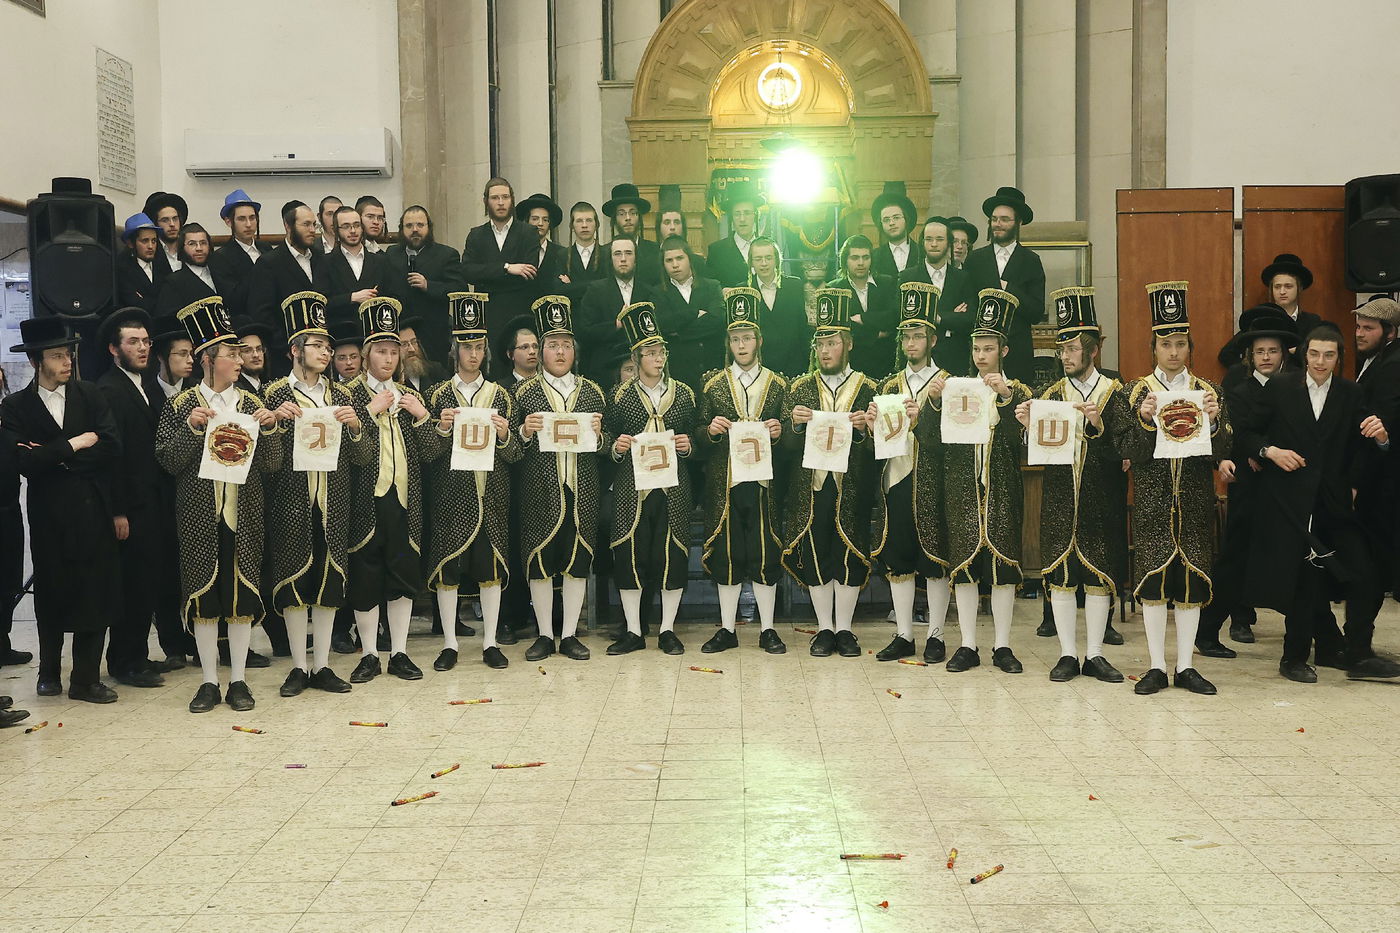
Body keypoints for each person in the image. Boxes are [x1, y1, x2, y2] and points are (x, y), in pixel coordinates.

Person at [1242, 327, 1400, 682]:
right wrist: (1271, 452)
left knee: (1365, 574)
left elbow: (1363, 445)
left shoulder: (1350, 392)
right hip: (1289, 502)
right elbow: (1249, 433)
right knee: (1302, 582)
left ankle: (1357, 653)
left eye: (1329, 355)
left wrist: (1383, 440)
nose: (1321, 362)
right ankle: (1293, 658)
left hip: (1334, 502)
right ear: (1304, 355)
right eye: (1315, 354)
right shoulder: (1280, 388)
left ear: (1339, 358)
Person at [154, 297, 282, 712]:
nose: (240, 360)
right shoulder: (180, 405)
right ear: (208, 359)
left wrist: (271, 429)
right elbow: (167, 461)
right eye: (231, 354)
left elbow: (272, 463)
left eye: (240, 353)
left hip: (243, 514)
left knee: (241, 596)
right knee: (204, 598)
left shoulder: (250, 405)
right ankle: (209, 680)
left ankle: (240, 679)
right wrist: (192, 430)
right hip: (198, 516)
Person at [1116, 282, 1230, 696]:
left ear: (1190, 347)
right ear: (1154, 348)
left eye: (1181, 343)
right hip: (1151, 501)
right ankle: (1155, 666)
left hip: (1195, 501)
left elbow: (1222, 449)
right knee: (1152, 585)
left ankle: (1185, 666)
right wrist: (1144, 420)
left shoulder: (1209, 392)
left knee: (1190, 586)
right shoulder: (1137, 392)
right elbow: (1125, 450)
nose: (1174, 351)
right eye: (1166, 344)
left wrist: (1215, 423)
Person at [1, 317, 122, 704]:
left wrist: (56, 456)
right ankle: (48, 672)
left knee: (94, 590)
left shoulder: (90, 395)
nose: (67, 360)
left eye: (68, 353)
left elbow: (110, 448)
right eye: (57, 355)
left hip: (92, 509)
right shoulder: (16, 405)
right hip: (49, 514)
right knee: (51, 592)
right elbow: (23, 463)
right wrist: (75, 444)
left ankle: (86, 678)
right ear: (37, 361)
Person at [1014, 287, 1127, 683]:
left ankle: (1095, 653)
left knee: (1098, 576)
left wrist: (1098, 424)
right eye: (1061, 348)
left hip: (1102, 498)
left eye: (1073, 348)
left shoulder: (1116, 394)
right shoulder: (1051, 395)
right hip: (1061, 498)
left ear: (1093, 350)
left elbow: (1128, 450)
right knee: (1060, 574)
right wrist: (1028, 428)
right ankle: (1066, 653)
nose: (1065, 355)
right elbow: (1036, 454)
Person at [261, 292, 367, 696]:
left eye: (328, 346)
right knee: (293, 582)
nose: (326, 352)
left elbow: (362, 456)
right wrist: (273, 424)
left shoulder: (342, 396)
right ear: (294, 350)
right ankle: (299, 666)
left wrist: (356, 426)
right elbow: (266, 462)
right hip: (291, 501)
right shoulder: (274, 394)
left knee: (328, 581)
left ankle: (322, 665)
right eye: (317, 345)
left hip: (334, 501)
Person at [937, 289, 1033, 674]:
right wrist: (934, 400)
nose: (980, 355)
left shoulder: (1020, 391)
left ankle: (1003, 645)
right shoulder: (958, 388)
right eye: (977, 348)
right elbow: (936, 437)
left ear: (1003, 351)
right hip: (963, 488)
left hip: (1003, 489)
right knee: (964, 565)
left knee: (1003, 567)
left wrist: (1006, 397)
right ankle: (967, 644)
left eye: (988, 348)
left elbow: (1019, 442)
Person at [781, 289, 880, 657]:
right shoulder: (801, 388)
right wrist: (793, 425)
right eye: (820, 343)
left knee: (850, 552)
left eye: (833, 342)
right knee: (818, 549)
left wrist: (865, 429)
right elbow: (788, 450)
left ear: (848, 344)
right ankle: (824, 627)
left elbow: (878, 450)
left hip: (852, 485)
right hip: (813, 487)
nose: (825, 350)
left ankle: (846, 628)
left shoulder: (868, 388)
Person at [425, 293, 522, 669]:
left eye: (479, 346)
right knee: (448, 570)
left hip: (491, 494)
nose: (473, 354)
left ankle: (490, 642)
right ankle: (449, 642)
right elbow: (427, 453)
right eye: (466, 346)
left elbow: (515, 456)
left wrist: (504, 436)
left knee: (490, 570)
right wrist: (442, 429)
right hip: (451, 495)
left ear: (486, 351)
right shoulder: (437, 395)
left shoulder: (501, 396)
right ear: (454, 350)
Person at [344, 297, 438, 683]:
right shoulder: (348, 394)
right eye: (381, 351)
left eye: (394, 351)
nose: (388, 359)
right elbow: (346, 454)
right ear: (366, 355)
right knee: (366, 575)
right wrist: (370, 410)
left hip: (404, 499)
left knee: (402, 574)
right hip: (366, 502)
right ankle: (368, 654)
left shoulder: (409, 395)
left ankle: (399, 651)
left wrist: (422, 417)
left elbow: (432, 451)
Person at [514, 295, 610, 662]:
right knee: (539, 560)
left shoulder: (593, 391)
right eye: (552, 345)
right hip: (538, 488)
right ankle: (543, 634)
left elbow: (607, 449)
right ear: (541, 350)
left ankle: (569, 634)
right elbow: (508, 449)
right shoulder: (523, 392)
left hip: (581, 487)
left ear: (575, 351)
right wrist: (523, 430)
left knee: (576, 559)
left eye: (565, 345)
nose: (559, 352)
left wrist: (600, 435)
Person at [1199, 305, 1299, 653]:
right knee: (1235, 560)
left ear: (1284, 353)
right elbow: (1235, 434)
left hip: (1290, 488)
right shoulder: (1238, 389)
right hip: (1251, 488)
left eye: (1272, 350)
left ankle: (1318, 636)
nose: (1266, 357)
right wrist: (1255, 454)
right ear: (1249, 355)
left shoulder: (1297, 384)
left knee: (1299, 560)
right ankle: (1207, 633)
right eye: (1260, 352)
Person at [697, 287, 788, 653]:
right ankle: (727, 629)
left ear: (759, 340)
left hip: (764, 484)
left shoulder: (779, 383)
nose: (741, 344)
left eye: (747, 337)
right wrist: (711, 431)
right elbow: (698, 433)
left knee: (765, 551)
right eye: (735, 338)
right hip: (726, 482)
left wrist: (780, 432)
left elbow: (791, 438)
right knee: (728, 552)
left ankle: (767, 628)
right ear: (728, 342)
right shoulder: (713, 383)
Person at [604, 303, 698, 655]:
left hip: (673, 488)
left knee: (672, 554)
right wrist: (616, 445)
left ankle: (668, 629)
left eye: (662, 352)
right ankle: (632, 630)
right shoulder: (619, 396)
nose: (659, 358)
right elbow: (606, 440)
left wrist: (690, 446)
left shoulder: (685, 394)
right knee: (630, 554)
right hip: (632, 487)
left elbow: (696, 438)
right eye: (651, 353)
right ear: (637, 356)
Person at [868, 282, 951, 663]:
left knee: (934, 558)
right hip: (897, 478)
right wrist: (872, 426)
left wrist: (926, 418)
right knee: (898, 558)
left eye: (919, 335)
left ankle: (935, 633)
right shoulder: (887, 385)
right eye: (906, 336)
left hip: (935, 480)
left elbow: (955, 440)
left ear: (932, 338)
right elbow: (878, 445)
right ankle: (903, 633)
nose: (912, 343)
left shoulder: (948, 384)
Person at [95, 308, 169, 687]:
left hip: (153, 500)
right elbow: (113, 457)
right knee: (132, 583)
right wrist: (118, 511)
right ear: (114, 348)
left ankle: (137, 654)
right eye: (132, 342)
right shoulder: (109, 389)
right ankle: (124, 661)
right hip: (131, 506)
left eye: (145, 341)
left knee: (148, 582)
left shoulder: (148, 384)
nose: (142, 348)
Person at [963, 187, 1046, 383]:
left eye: (1004, 219)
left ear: (1018, 222)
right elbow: (968, 304)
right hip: (981, 356)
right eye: (994, 219)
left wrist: (1009, 290)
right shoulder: (975, 259)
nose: (997, 224)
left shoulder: (1031, 260)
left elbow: (1036, 311)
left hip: (1017, 352)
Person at [1352, 296, 1400, 599]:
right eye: (1358, 326)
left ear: (1390, 332)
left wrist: (1356, 479)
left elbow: (1381, 424)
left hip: (1382, 476)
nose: (1359, 333)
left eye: (1368, 328)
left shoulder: (1392, 366)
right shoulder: (1376, 359)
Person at [382, 204, 464, 367]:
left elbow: (459, 290)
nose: (415, 230)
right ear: (401, 229)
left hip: (434, 334)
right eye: (409, 225)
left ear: (429, 227)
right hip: (401, 334)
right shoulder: (391, 254)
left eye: (420, 225)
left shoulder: (446, 255)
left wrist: (429, 286)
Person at [462, 177, 540, 338]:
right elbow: (468, 272)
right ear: (485, 201)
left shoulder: (528, 233)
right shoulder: (476, 235)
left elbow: (529, 273)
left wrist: (487, 276)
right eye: (495, 198)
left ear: (512, 200)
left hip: (519, 314)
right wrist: (507, 268)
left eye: (505, 197)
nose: (500, 202)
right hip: (487, 317)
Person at [248, 201, 320, 373]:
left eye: (314, 225)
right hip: (285, 357)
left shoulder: (321, 259)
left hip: (319, 353)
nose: (312, 230)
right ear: (288, 226)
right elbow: (262, 313)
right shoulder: (269, 262)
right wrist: (287, 348)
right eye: (306, 224)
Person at [578, 236, 659, 385]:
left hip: (644, 371)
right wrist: (615, 325)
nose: (623, 259)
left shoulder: (650, 292)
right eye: (617, 254)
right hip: (606, 370)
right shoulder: (596, 290)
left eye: (628, 253)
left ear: (636, 259)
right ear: (610, 258)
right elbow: (584, 332)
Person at [901, 217, 974, 377]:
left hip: (954, 360)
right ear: (923, 243)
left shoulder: (963, 278)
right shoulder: (907, 277)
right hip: (918, 361)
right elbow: (902, 317)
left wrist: (938, 318)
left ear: (949, 243)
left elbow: (970, 319)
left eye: (939, 239)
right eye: (929, 239)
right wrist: (952, 316)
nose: (934, 244)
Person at [656, 235, 726, 393]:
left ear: (689, 258)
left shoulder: (712, 286)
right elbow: (663, 326)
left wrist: (679, 333)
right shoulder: (657, 293)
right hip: (677, 376)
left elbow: (718, 321)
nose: (675, 264)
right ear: (663, 264)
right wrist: (694, 313)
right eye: (669, 260)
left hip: (712, 371)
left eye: (680, 258)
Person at [826, 234, 897, 377]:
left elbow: (894, 318)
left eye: (865, 257)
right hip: (851, 366)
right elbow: (840, 330)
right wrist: (876, 333)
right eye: (854, 258)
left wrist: (864, 318)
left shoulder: (887, 283)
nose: (861, 263)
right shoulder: (834, 289)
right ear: (845, 260)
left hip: (885, 364)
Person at [747, 236, 809, 379]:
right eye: (758, 259)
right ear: (751, 262)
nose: (764, 263)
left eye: (768, 258)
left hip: (794, 368)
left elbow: (802, 328)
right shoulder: (744, 291)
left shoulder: (794, 286)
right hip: (758, 371)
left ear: (777, 259)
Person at [315, 205, 387, 323]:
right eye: (346, 226)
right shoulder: (324, 262)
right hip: (342, 334)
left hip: (375, 331)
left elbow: (393, 297)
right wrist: (352, 298)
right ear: (335, 230)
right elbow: (320, 303)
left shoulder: (381, 261)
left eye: (357, 225)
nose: (353, 231)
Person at [209, 189, 263, 319]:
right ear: (228, 222)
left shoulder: (266, 249)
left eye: (252, 218)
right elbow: (232, 300)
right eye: (241, 219)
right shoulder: (220, 257)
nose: (249, 224)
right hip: (246, 321)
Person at [156, 224, 225, 317]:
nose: (199, 248)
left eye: (203, 243)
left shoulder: (221, 273)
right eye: (192, 244)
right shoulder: (173, 283)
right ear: (181, 247)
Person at [516, 192, 573, 301]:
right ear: (526, 221)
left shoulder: (561, 253)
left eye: (545, 219)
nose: (540, 223)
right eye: (535, 218)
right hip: (519, 313)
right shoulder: (515, 250)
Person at [706, 181, 764, 288]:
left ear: (755, 216)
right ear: (731, 217)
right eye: (737, 214)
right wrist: (721, 292)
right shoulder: (717, 251)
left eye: (747, 213)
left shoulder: (767, 247)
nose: (742, 219)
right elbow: (710, 288)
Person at [602, 183, 662, 286]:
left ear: (639, 217)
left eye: (633, 212)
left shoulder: (655, 251)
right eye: (621, 214)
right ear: (614, 219)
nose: (628, 218)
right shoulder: (603, 253)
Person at [117, 213, 164, 314]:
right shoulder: (122, 270)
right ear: (130, 243)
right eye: (145, 241)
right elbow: (135, 304)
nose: (151, 246)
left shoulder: (162, 265)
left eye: (154, 241)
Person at [870, 185, 918, 278]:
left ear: (906, 220)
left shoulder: (922, 253)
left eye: (896, 217)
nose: (891, 223)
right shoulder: (874, 257)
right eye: (886, 219)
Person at [143, 191, 189, 277]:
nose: (172, 224)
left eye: (175, 219)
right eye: (165, 220)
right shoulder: (149, 251)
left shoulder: (189, 248)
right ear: (155, 224)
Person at [397, 317, 447, 394]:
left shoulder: (436, 371)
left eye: (414, 342)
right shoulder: (392, 381)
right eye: (404, 344)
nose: (412, 349)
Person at [565, 201, 607, 295]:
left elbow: (610, 287)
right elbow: (559, 290)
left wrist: (572, 285)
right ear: (572, 226)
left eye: (589, 220)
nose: (584, 225)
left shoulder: (607, 254)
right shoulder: (562, 256)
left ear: (596, 224)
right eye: (579, 221)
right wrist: (597, 283)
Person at [233, 318, 273, 396]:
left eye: (259, 349)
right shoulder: (235, 392)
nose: (256, 355)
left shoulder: (272, 387)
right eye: (247, 350)